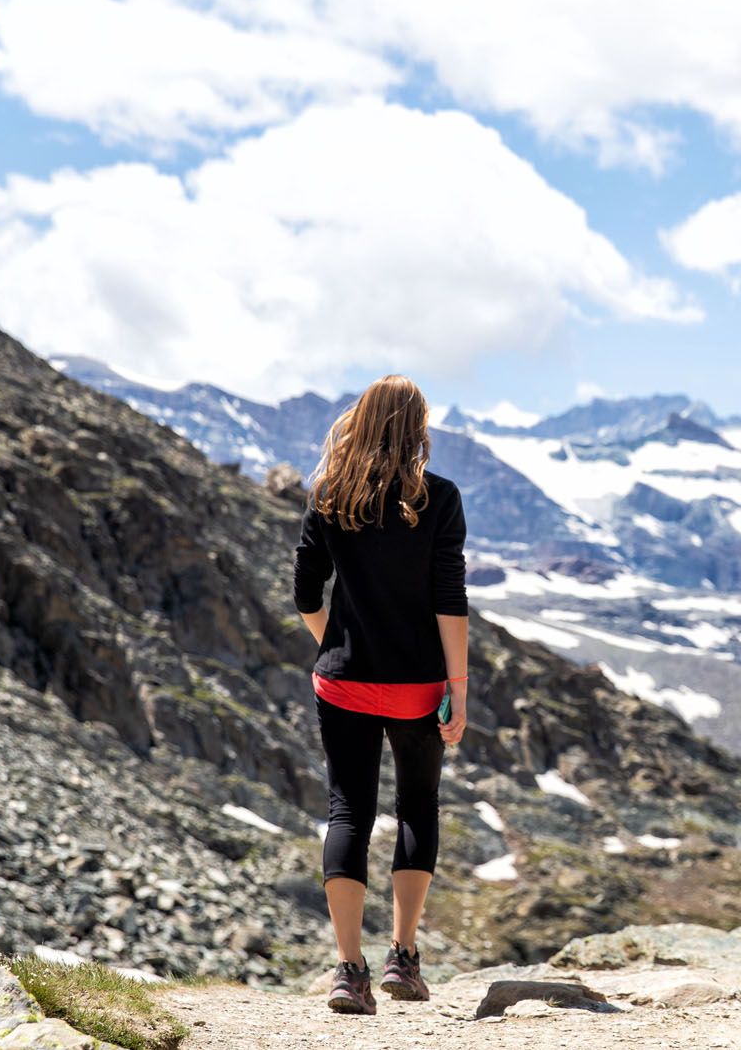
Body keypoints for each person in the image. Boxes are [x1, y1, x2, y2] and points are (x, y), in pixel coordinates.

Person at [291, 374, 470, 1014]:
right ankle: (404, 958)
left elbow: (305, 592)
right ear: (418, 429)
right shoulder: (440, 499)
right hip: (418, 688)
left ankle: (347, 972)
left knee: (349, 813)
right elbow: (450, 600)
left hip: (343, 683)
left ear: (362, 421)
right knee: (418, 807)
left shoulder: (330, 497)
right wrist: (459, 688)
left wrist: (333, 640)